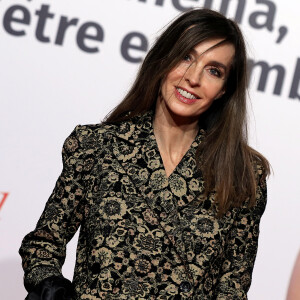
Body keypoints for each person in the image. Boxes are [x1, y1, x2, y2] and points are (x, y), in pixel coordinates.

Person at [19, 8, 270, 300]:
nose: (193, 78)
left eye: (214, 70)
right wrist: (54, 290)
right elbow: (43, 246)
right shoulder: (97, 146)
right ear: (164, 59)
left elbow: (232, 290)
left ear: (224, 90)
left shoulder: (242, 174)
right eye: (186, 57)